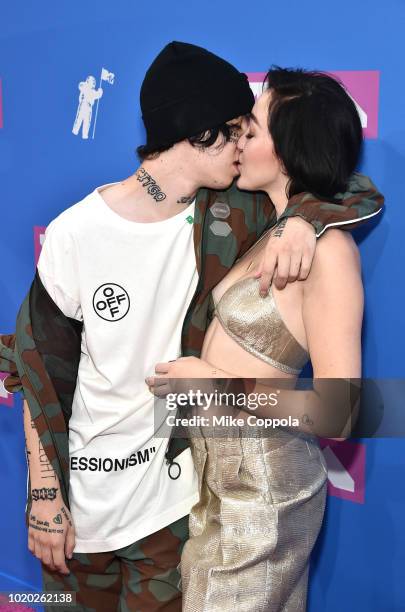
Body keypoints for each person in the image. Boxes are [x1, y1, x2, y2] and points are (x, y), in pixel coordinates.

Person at [0, 44, 383, 611]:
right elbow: (33, 365)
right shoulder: (83, 231)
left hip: (208, 501)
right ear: (202, 132)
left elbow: (346, 187)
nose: (243, 141)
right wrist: (45, 496)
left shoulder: (249, 220)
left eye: (253, 127)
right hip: (129, 501)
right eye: (237, 128)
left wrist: (307, 218)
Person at [147, 67, 370, 611]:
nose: (238, 139)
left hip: (266, 493)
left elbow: (341, 412)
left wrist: (219, 384)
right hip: (219, 482)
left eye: (254, 129)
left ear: (293, 148)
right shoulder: (273, 229)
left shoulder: (329, 252)